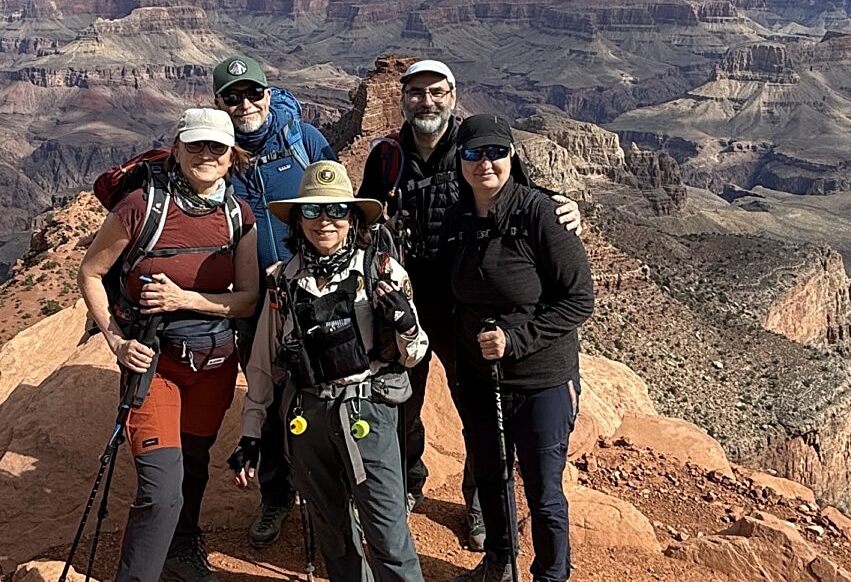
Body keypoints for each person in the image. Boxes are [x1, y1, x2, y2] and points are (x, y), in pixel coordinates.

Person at [356, 59, 582, 549]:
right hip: (404, 306)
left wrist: (566, 204)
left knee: (477, 409)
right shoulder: (386, 157)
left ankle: (481, 505)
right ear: (402, 99)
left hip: (465, 307)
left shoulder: (476, 145)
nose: (426, 102)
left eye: (436, 92)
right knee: (402, 400)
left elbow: (517, 192)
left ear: (453, 95)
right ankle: (411, 479)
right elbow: (364, 218)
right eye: (416, 93)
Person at [77, 108, 259, 582]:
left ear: (230, 158)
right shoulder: (141, 207)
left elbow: (246, 300)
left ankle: (181, 550)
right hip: (155, 364)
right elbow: (91, 273)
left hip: (214, 366)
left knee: (194, 466)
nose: (205, 155)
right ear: (176, 149)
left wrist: (186, 298)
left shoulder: (238, 216)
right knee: (161, 491)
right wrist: (116, 342)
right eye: (195, 145)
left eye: (216, 148)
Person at [229, 160, 428, 582]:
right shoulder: (283, 281)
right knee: (332, 533)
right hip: (308, 414)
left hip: (367, 410)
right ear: (298, 219)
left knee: (387, 532)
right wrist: (250, 432)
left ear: (353, 218)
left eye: (337, 210)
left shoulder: (383, 272)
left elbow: (414, 354)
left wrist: (406, 324)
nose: (325, 221)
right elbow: (264, 364)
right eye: (313, 210)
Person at [441, 114, 594, 582]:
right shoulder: (456, 218)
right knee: (491, 477)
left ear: (512, 156)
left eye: (495, 152)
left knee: (544, 492)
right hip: (480, 380)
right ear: (460, 160)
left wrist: (516, 340)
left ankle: (551, 575)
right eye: (472, 153)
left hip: (542, 380)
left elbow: (579, 300)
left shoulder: (542, 215)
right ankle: (499, 564)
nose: (484, 163)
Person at [212, 54, 337, 548]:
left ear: (268, 93)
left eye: (252, 93)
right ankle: (276, 494)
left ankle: (329, 488)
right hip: (252, 301)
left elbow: (338, 205)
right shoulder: (218, 154)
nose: (245, 104)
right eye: (232, 97)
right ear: (218, 103)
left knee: (321, 386)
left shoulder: (302, 139)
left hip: (312, 292)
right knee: (263, 392)